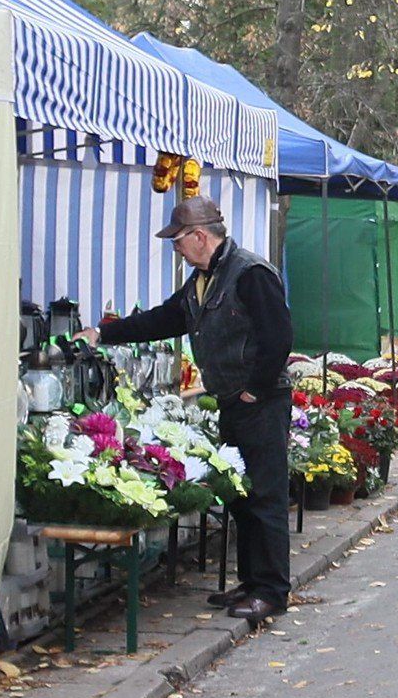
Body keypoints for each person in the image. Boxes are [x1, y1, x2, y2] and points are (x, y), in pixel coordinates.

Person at [73, 197, 292, 623]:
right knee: (243, 496)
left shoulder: (250, 273)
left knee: (265, 496)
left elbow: (279, 337)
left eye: (177, 239)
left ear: (199, 236)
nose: (175, 247)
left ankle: (272, 591)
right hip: (234, 400)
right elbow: (162, 320)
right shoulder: (201, 281)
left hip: (260, 402)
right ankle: (252, 583)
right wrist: (102, 332)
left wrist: (254, 389)